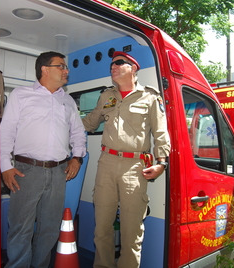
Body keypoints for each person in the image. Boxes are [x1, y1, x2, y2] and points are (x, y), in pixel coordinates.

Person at [82, 51, 171, 268]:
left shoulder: (150, 97)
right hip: (107, 163)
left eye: (119, 63)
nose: (113, 66)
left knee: (132, 230)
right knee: (102, 227)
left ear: (133, 68)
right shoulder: (106, 96)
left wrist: (161, 163)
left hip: (135, 167)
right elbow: (90, 123)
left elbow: (161, 133)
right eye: (111, 64)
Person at [0, 51, 87, 268]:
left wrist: (77, 158)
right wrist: (5, 167)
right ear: (45, 69)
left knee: (49, 228)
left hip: (59, 173)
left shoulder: (67, 101)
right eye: (61, 66)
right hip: (25, 171)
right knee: (21, 228)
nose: (66, 71)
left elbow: (78, 133)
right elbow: (6, 132)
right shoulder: (21, 94)